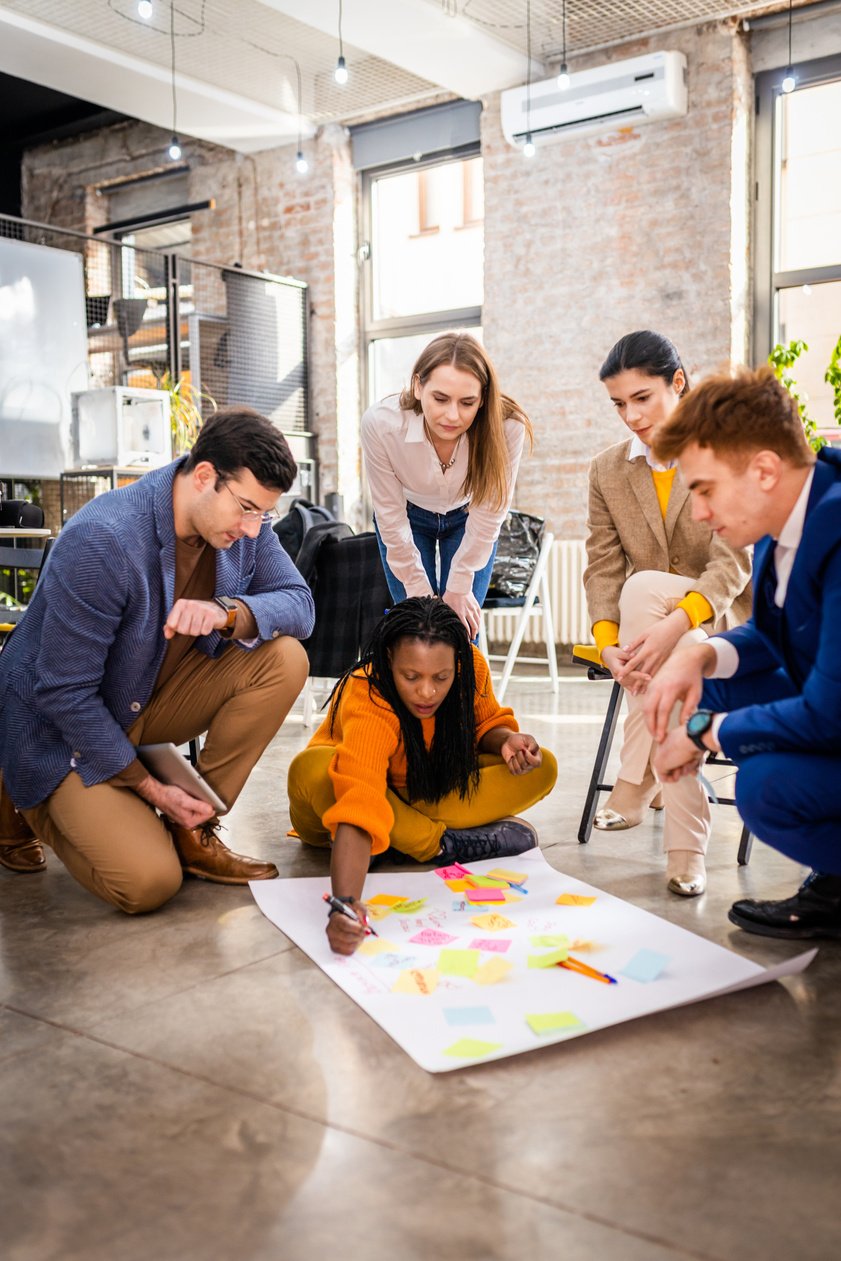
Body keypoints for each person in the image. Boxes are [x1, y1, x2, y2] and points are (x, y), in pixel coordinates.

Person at [0, 407, 314, 914]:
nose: (254, 529)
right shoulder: (102, 540)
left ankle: (195, 827)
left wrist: (224, 612)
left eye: (264, 514)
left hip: (145, 696)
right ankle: (18, 789)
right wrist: (151, 789)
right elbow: (63, 693)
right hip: (62, 729)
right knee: (148, 884)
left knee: (285, 658)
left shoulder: (241, 527)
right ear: (205, 476)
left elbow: (300, 605)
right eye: (247, 509)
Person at [644, 366, 841, 939]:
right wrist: (699, 653)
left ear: (763, 469)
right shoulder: (798, 513)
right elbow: (782, 637)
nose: (700, 513)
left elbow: (829, 712)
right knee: (708, 684)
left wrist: (705, 732)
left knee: (764, 790)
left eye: (704, 489)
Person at [286, 597, 558, 955]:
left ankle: (394, 840)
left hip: (424, 792)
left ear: (456, 664)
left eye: (441, 678)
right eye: (411, 676)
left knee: (543, 767)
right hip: (343, 805)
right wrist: (345, 904)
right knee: (313, 769)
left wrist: (507, 741)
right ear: (388, 662)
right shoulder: (369, 689)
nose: (427, 692)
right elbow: (361, 796)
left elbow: (485, 724)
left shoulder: (470, 665)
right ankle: (440, 845)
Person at [584, 331, 752, 896]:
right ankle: (686, 847)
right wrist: (609, 644)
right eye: (619, 404)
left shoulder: (723, 448)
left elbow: (734, 563)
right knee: (636, 591)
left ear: (678, 383)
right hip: (646, 635)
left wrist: (673, 625)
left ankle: (634, 777)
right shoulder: (607, 470)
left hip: (722, 620)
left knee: (645, 590)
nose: (630, 416)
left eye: (643, 398)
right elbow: (603, 565)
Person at [362, 331, 532, 641]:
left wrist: (459, 586)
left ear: (482, 399)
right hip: (408, 517)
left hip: (470, 518)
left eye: (468, 402)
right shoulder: (381, 423)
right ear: (418, 386)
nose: (452, 415)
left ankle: (471, 691)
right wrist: (421, 596)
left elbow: (490, 511)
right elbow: (389, 514)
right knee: (417, 630)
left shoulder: (507, 426)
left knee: (462, 629)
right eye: (440, 399)